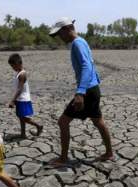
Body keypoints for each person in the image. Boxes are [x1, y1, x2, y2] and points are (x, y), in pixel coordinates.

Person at [49, 17, 114, 167]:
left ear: (67, 29)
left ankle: (63, 158)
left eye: (59, 34)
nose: (59, 38)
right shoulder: (81, 41)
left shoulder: (77, 44)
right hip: (93, 88)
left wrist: (80, 92)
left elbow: (86, 66)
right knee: (98, 121)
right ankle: (109, 153)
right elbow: (90, 65)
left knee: (63, 121)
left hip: (88, 91)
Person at [8, 53, 43, 139]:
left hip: (23, 99)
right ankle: (23, 133)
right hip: (20, 99)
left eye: (13, 66)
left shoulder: (22, 74)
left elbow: (20, 89)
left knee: (23, 117)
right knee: (21, 117)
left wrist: (13, 100)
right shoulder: (18, 73)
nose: (13, 68)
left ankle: (38, 126)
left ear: (19, 63)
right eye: (11, 66)